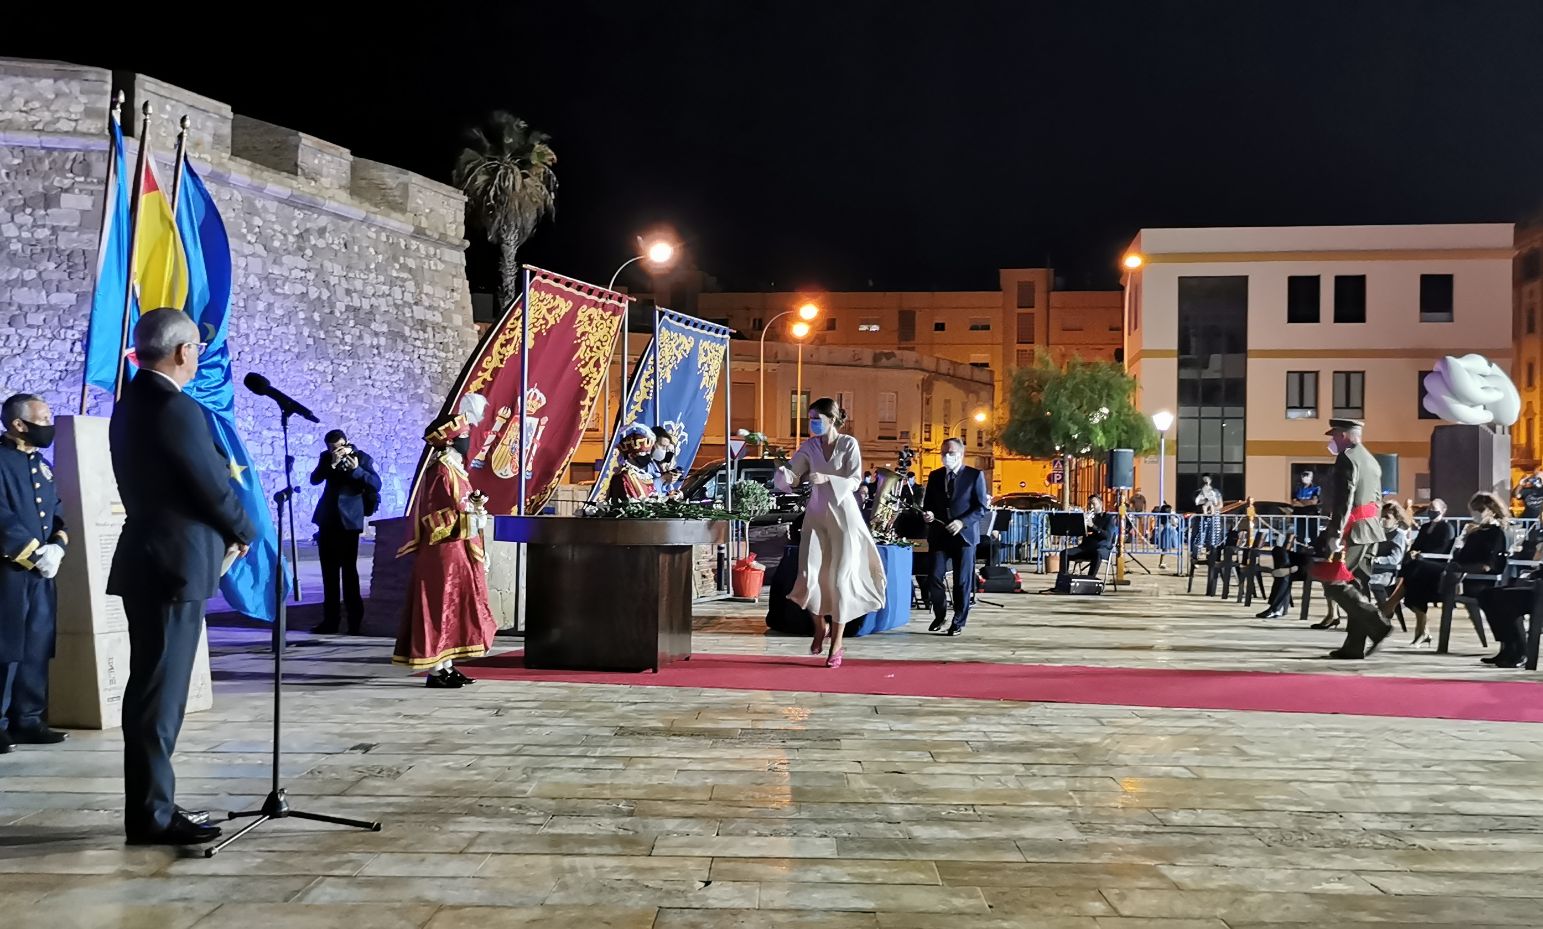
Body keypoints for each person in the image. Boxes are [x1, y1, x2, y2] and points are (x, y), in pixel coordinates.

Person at [110, 308, 256, 845]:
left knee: (154, 689)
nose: (198, 357)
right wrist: (247, 529)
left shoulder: (134, 404)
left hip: (153, 560)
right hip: (172, 564)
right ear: (182, 352)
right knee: (159, 694)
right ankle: (151, 814)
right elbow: (211, 485)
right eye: (196, 347)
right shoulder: (174, 407)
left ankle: (153, 804)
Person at [774, 398, 885, 667]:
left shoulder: (849, 444)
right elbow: (794, 469)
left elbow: (856, 479)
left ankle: (836, 644)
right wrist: (786, 475)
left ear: (832, 419)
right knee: (808, 574)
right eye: (810, 418)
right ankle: (819, 626)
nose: (812, 423)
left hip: (844, 517)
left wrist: (827, 478)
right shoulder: (810, 446)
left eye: (817, 418)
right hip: (815, 516)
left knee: (839, 580)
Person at [394, 405, 497, 687]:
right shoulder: (440, 471)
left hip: (458, 548)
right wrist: (471, 515)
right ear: (451, 441)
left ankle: (448, 665)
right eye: (464, 435)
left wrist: (476, 507)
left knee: (456, 607)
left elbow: (461, 505)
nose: (468, 440)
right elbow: (437, 515)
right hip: (443, 549)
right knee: (441, 607)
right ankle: (436, 669)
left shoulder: (456, 470)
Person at [0, 394, 69, 754]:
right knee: (4, 647)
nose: (49, 424)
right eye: (42, 418)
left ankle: (28, 719)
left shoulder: (41, 464)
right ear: (19, 424)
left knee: (36, 645)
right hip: (8, 571)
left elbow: (56, 509)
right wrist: (31, 552)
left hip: (42, 572)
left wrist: (58, 544)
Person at [1381, 492, 1510, 647]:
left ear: (1491, 511)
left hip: (1469, 579)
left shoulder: (1496, 533)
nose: (1474, 514)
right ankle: (1398, 611)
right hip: (1454, 573)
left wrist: (1459, 565)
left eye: (1479, 511)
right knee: (1414, 572)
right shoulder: (1477, 531)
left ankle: (1390, 606)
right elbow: (1459, 555)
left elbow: (1487, 565)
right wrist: (1464, 539)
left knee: (1416, 570)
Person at [1316, 418, 1390, 660]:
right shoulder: (1371, 460)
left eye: (1335, 435)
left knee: (1334, 582)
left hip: (1354, 530)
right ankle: (1354, 645)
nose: (1333, 441)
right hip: (1370, 530)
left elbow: (1344, 500)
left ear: (1345, 435)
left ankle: (1377, 624)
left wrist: (1336, 533)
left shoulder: (1348, 458)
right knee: (1358, 586)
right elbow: (1377, 498)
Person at [308, 429, 381, 635]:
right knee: (329, 574)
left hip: (350, 522)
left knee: (349, 573)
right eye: (331, 448)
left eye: (339, 446)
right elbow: (314, 479)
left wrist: (357, 470)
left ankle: (354, 622)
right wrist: (331, 462)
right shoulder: (326, 458)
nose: (336, 450)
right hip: (328, 520)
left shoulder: (362, 458)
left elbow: (376, 484)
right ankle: (330, 621)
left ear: (346, 442)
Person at [921, 438, 991, 635]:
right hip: (939, 535)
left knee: (961, 581)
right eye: (943, 453)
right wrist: (928, 515)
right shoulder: (935, 476)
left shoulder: (974, 476)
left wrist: (962, 522)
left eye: (950, 453)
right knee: (934, 576)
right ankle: (940, 614)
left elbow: (981, 508)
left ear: (960, 454)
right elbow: (929, 505)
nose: (946, 457)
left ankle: (958, 621)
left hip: (964, 537)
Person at [1057, 494, 1119, 585]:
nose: (1091, 506)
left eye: (1094, 503)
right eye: (1089, 504)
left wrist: (1092, 526)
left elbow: (1107, 536)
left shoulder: (1108, 518)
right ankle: (1064, 580)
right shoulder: (1088, 517)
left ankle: (1090, 581)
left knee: (1097, 553)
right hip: (1086, 547)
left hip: (1102, 548)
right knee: (1064, 553)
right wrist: (1079, 524)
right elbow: (1078, 534)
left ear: (1101, 504)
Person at [607, 425, 657, 503]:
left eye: (648, 452)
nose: (647, 456)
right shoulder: (624, 476)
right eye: (643, 453)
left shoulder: (645, 475)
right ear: (631, 455)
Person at [649, 424, 684, 496]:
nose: (664, 451)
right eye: (662, 446)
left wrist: (674, 494)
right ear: (651, 443)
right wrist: (664, 478)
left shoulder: (658, 465)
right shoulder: (645, 465)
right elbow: (648, 491)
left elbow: (667, 492)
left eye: (666, 448)